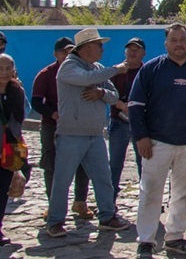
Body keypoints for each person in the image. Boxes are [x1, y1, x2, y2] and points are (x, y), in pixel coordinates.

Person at [130, 23, 186, 258]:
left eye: (183, 40)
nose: (179, 44)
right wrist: (141, 136)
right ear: (166, 44)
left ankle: (175, 237)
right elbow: (135, 105)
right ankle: (146, 241)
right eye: (174, 40)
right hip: (156, 144)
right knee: (150, 192)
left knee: (183, 192)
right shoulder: (151, 70)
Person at [45, 28, 131, 238]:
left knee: (103, 178)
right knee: (62, 180)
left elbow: (114, 95)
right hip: (71, 134)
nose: (102, 49)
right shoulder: (68, 67)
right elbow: (85, 78)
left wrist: (101, 92)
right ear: (86, 48)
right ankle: (55, 221)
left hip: (95, 134)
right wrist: (115, 70)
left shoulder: (98, 68)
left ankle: (107, 216)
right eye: (98, 45)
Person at [31, 37, 93, 220]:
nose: (67, 55)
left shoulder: (83, 71)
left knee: (82, 163)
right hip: (52, 126)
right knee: (51, 164)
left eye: (70, 51)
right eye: (63, 52)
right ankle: (53, 205)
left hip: (78, 126)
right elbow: (36, 101)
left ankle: (80, 201)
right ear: (55, 54)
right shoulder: (46, 74)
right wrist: (53, 114)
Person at [108, 37, 146, 200]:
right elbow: (105, 93)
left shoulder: (148, 72)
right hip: (119, 122)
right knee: (115, 164)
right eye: (130, 49)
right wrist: (120, 105)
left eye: (136, 50)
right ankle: (109, 200)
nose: (132, 53)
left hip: (142, 125)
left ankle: (148, 200)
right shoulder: (116, 71)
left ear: (143, 53)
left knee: (144, 164)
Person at [0, 54, 25, 245]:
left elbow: (19, 119)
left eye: (8, 68)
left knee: (2, 190)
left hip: (9, 147)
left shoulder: (17, 91)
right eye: (1, 68)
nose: (4, 73)